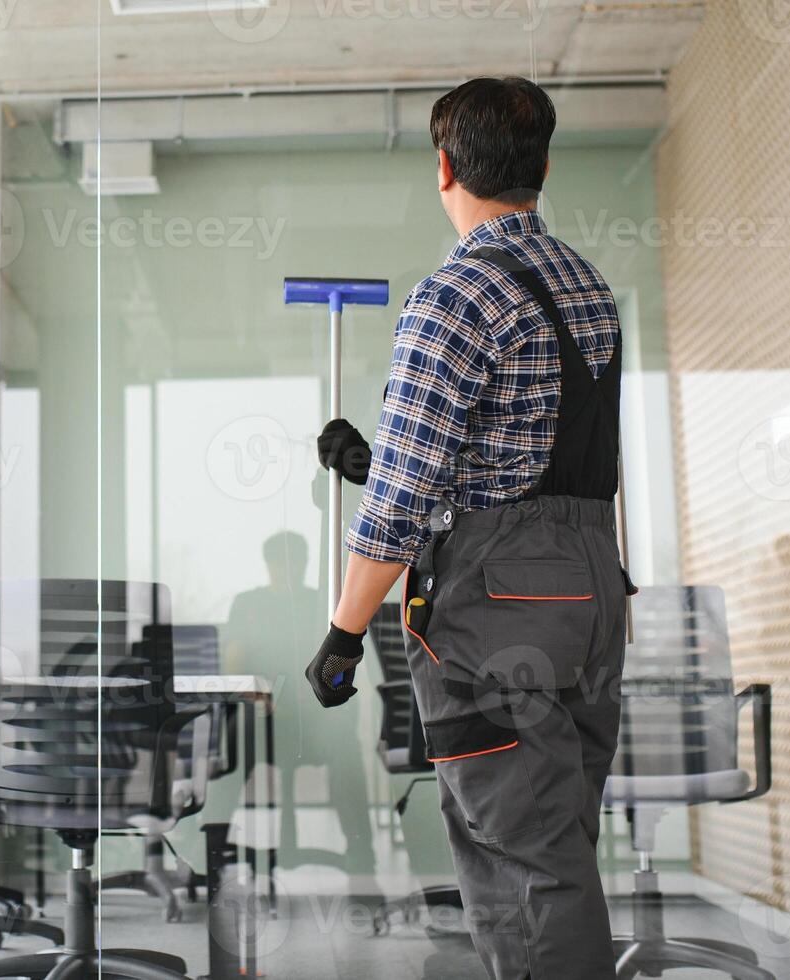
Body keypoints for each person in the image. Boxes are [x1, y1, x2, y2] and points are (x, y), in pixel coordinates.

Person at [304, 76, 631, 979]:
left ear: (444, 166)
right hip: (590, 592)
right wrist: (371, 463)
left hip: (498, 610)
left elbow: (407, 499)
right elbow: (533, 453)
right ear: (543, 168)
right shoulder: (586, 284)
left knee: (519, 860)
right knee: (554, 838)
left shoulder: (454, 293)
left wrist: (341, 632)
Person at [225, 530, 375, 875]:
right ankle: (207, 845)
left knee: (344, 746)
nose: (288, 569)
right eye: (280, 561)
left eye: (296, 561)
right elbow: (233, 662)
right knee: (230, 737)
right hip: (264, 720)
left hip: (313, 719)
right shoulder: (249, 604)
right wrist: (258, 695)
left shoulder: (320, 603)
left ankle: (362, 858)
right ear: (269, 564)